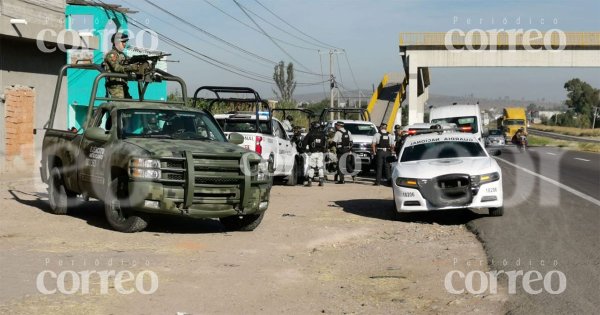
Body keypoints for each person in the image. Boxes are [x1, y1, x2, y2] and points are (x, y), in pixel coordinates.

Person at [103, 32, 139, 99]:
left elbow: (130, 60)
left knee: (129, 105)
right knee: (119, 106)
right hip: (115, 87)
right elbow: (117, 68)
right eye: (123, 42)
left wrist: (139, 61)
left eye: (125, 42)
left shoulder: (122, 55)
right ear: (117, 43)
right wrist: (132, 67)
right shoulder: (111, 54)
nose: (125, 44)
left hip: (123, 85)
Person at [302, 121, 327, 186]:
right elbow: (325, 143)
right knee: (320, 166)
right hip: (320, 152)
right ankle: (321, 180)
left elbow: (304, 143)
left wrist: (304, 150)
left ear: (313, 126)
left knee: (312, 167)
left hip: (313, 152)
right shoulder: (323, 134)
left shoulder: (310, 133)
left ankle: (310, 181)